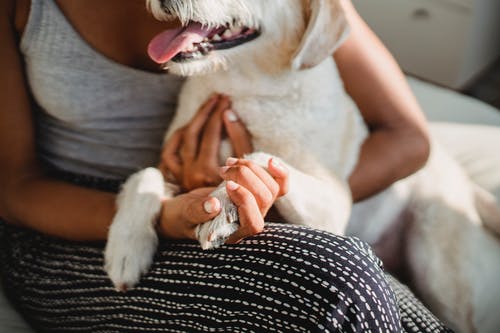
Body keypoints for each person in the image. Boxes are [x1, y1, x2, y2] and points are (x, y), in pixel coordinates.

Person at [0, 0, 451, 332]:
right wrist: (166, 214)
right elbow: (13, 187)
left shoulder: (290, 12)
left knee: (398, 309)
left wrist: (264, 192)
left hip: (222, 209)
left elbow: (407, 136)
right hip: (69, 230)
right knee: (339, 277)